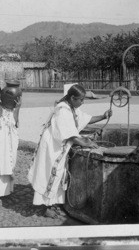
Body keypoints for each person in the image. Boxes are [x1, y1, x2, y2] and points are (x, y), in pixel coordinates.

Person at [27, 84, 112, 218]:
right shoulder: (63, 110)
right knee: (49, 174)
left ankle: (52, 204)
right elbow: (70, 135)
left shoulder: (71, 107)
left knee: (58, 175)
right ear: (72, 98)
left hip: (58, 145)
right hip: (52, 146)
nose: (82, 102)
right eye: (81, 100)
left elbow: (86, 119)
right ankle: (45, 208)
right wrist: (87, 143)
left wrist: (103, 116)